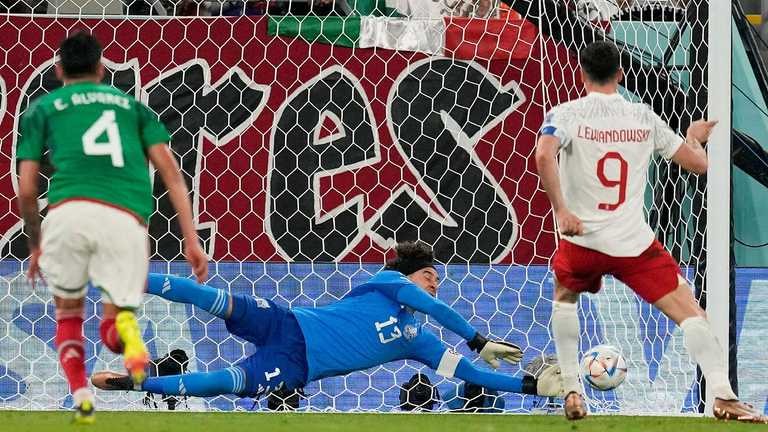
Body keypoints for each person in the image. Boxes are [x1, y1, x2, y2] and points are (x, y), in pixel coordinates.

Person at [535, 40, 767, 423]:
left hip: (583, 239)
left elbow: (544, 154)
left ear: (582, 73)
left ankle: (573, 389)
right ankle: (723, 396)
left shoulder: (566, 113)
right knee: (691, 312)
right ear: (620, 74)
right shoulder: (643, 116)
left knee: (564, 298)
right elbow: (698, 165)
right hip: (633, 243)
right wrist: (694, 137)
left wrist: (561, 210)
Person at [91, 241, 564, 404]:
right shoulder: (387, 284)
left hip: (296, 366)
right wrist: (477, 337)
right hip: (286, 323)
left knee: (223, 383)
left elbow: (469, 373)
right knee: (214, 299)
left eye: (438, 281)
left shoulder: (415, 341)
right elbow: (439, 311)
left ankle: (136, 383)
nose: (435, 286)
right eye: (429, 277)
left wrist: (528, 385)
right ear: (408, 275)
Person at [16, 31, 208, 423]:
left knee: (68, 315)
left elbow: (28, 186)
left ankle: (81, 394)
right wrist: (191, 239)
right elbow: (172, 174)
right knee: (115, 322)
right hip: (125, 220)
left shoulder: (43, 108)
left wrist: (35, 244)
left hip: (68, 215)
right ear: (102, 69)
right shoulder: (134, 108)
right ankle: (127, 332)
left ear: (58, 70)